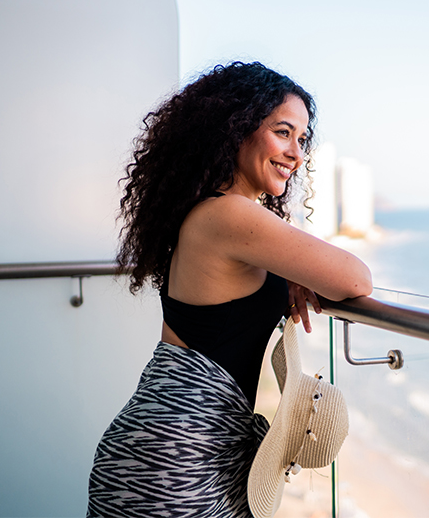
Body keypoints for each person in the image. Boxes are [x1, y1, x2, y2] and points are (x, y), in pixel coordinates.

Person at [86, 61, 372, 517]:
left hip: (181, 444)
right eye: (283, 132)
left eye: (302, 139)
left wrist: (290, 270)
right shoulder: (231, 215)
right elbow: (356, 279)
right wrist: (298, 268)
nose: (296, 153)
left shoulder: (213, 211)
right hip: (175, 457)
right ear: (235, 129)